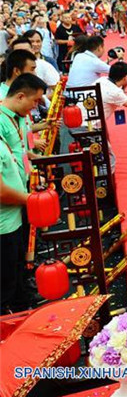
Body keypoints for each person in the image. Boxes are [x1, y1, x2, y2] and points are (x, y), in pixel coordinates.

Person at [0, 74, 47, 314]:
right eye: (35, 101)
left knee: (17, 266)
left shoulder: (15, 118)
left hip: (16, 207)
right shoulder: (2, 121)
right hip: (5, 219)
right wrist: (31, 199)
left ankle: (21, 305)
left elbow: (17, 153)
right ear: (20, 96)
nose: (35, 108)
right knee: (6, 277)